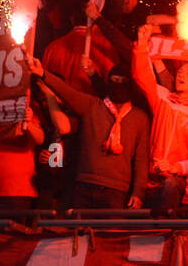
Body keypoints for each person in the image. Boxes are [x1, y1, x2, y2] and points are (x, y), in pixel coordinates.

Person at [27, 56, 150, 210]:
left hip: (117, 190)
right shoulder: (93, 106)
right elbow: (68, 93)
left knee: (109, 234)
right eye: (114, 80)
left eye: (122, 82)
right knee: (80, 232)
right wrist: (43, 74)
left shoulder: (140, 118)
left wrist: (138, 192)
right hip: (85, 185)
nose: (117, 86)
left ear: (129, 85)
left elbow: (141, 160)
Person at [133, 24, 188, 208]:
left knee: (170, 187)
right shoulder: (163, 98)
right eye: (180, 72)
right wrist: (142, 45)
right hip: (151, 178)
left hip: (179, 181)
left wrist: (176, 168)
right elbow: (143, 76)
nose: (181, 76)